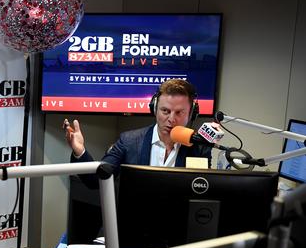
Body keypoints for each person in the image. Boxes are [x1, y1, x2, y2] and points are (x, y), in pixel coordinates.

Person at [64, 79, 212, 190]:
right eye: (165, 111)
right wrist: (79, 151)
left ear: (191, 114)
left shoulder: (199, 148)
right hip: (134, 225)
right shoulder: (128, 141)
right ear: (154, 109)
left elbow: (204, 191)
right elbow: (95, 181)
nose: (171, 119)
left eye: (179, 112)